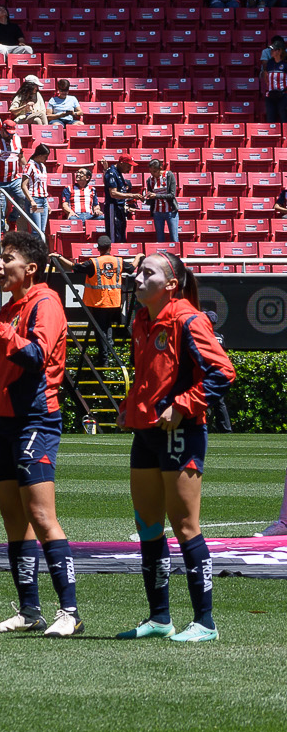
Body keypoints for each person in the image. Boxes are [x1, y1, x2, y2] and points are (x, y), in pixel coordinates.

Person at [0, 232, 82, 636]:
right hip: (3, 424)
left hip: (34, 420)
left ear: (31, 268)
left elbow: (36, 357)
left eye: (6, 258)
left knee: (42, 517)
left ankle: (70, 612)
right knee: (13, 521)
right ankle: (30, 610)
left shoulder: (45, 303)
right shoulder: (9, 308)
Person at [119, 251, 235, 643]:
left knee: (185, 527)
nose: (137, 278)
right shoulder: (141, 320)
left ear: (171, 284)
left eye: (147, 273)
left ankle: (205, 623)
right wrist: (130, 405)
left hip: (182, 432)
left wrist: (183, 405)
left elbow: (222, 371)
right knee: (148, 527)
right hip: (146, 434)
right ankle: (160, 619)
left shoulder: (188, 319)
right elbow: (148, 375)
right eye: (138, 271)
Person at [72, 238, 127, 365]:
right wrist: (139, 256)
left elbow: (75, 267)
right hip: (114, 302)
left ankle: (104, 360)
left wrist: (59, 258)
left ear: (98, 249)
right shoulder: (118, 261)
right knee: (107, 327)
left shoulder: (93, 262)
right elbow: (132, 267)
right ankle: (109, 351)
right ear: (110, 248)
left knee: (100, 331)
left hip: (98, 303)